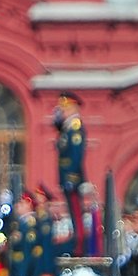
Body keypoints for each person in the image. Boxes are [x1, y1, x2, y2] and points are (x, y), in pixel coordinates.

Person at [56, 93, 88, 254]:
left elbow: (76, 154)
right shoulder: (67, 127)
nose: (62, 112)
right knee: (72, 210)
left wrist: (72, 176)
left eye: (64, 109)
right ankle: (77, 238)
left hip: (72, 178)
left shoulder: (75, 127)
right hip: (66, 176)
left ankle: (79, 242)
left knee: (76, 211)